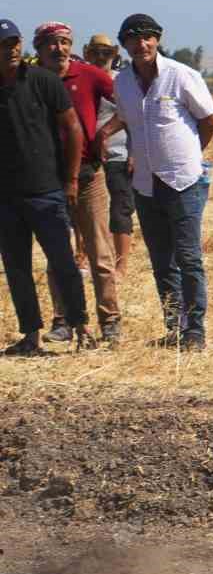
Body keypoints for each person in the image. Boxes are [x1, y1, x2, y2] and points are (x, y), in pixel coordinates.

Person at [112, 13, 213, 350]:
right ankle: (174, 327)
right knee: (161, 261)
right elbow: (130, 124)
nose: (141, 44)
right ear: (124, 44)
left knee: (188, 257)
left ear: (158, 39)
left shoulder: (182, 75)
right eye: (133, 38)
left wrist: (190, 154)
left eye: (147, 37)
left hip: (182, 179)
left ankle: (195, 331)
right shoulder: (122, 83)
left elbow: (210, 121)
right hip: (144, 183)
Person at [0, 18, 90, 354]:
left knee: (63, 262)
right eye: (2, 45)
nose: (9, 50)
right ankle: (30, 337)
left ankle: (82, 328)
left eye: (13, 43)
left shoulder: (43, 81)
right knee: (17, 268)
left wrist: (69, 180)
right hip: (6, 198)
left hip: (46, 191)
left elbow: (73, 130)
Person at [33, 23, 122, 347]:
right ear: (38, 48)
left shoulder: (90, 75)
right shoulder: (29, 80)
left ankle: (110, 320)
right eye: (52, 43)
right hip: (45, 179)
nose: (59, 49)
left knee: (100, 253)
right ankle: (63, 321)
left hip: (87, 175)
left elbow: (126, 105)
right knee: (58, 254)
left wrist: (104, 132)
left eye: (65, 42)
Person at [83, 34, 135, 281]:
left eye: (106, 52)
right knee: (87, 212)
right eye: (96, 52)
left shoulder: (122, 82)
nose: (101, 57)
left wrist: (134, 152)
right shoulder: (79, 81)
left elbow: (135, 119)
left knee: (120, 210)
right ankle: (85, 260)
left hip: (119, 154)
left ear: (115, 54)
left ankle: (121, 267)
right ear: (87, 54)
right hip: (87, 158)